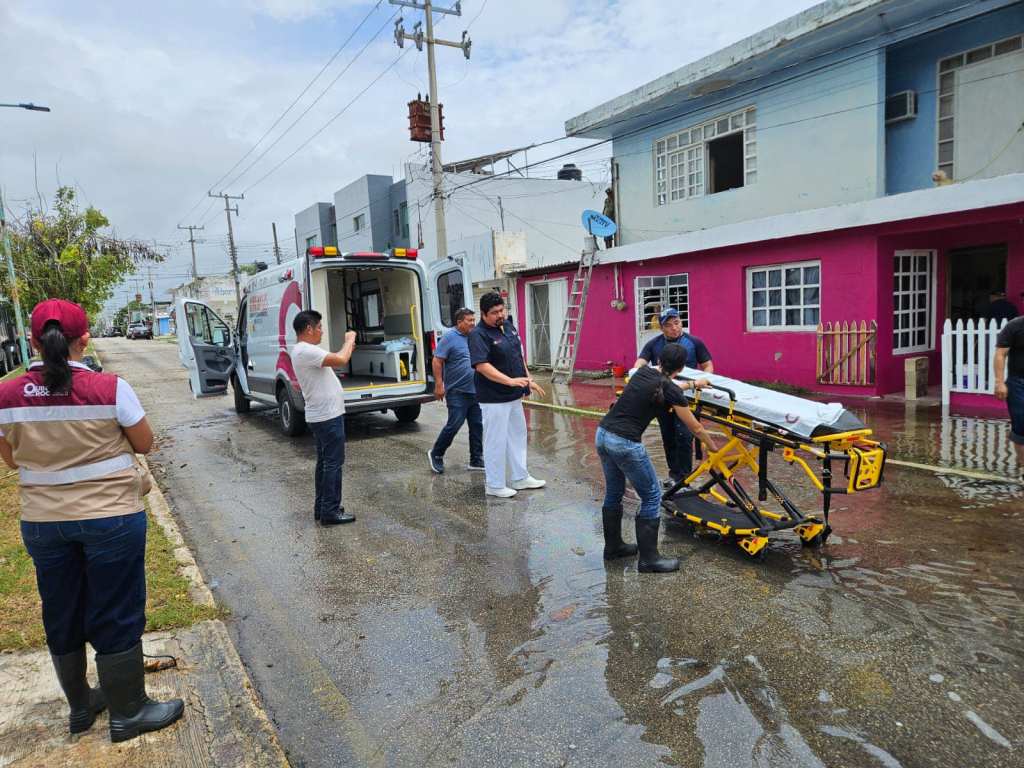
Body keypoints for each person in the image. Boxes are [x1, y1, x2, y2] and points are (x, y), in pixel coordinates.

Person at [0, 299, 183, 742]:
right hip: (111, 519)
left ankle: (81, 707)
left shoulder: (6, 394)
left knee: (61, 609)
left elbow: (9, 459)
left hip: (44, 523)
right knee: (115, 608)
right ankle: (128, 713)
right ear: (85, 339)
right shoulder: (110, 388)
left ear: (32, 342)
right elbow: (144, 442)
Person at [597, 344, 718, 573]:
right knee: (652, 496)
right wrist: (712, 447)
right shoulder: (670, 389)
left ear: (660, 360)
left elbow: (666, 387)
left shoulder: (644, 373)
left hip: (603, 434)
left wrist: (693, 384)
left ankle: (613, 548)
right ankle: (649, 560)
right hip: (625, 442)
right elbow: (695, 427)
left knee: (614, 492)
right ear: (682, 367)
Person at [468, 292, 546, 498]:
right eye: (494, 313)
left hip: (513, 396)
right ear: (483, 314)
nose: (500, 315)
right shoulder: (478, 334)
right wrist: (510, 381)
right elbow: (482, 366)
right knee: (496, 441)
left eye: (502, 310)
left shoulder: (509, 327)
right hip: (493, 398)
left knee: (518, 436)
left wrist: (528, 381)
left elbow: (518, 357)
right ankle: (494, 484)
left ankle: (520, 477)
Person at [632, 308, 713, 485]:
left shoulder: (694, 342)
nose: (674, 328)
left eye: (676, 323)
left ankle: (684, 479)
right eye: (668, 325)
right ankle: (674, 474)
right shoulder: (654, 344)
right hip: (663, 396)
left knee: (684, 436)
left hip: (687, 396)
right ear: (662, 328)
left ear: (681, 322)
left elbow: (708, 366)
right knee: (668, 436)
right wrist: (637, 373)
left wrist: (703, 381)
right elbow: (640, 362)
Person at [291, 310, 357, 525]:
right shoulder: (305, 350)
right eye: (319, 327)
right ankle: (330, 511)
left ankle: (323, 507)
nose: (322, 331)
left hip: (323, 415)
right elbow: (341, 359)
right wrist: (350, 339)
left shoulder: (304, 350)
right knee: (333, 464)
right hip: (327, 416)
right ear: (308, 329)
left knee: (325, 463)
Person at [428, 308, 484, 474]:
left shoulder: (475, 336)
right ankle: (436, 454)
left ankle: (476, 459)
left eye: (474, 320)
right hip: (457, 391)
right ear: (459, 322)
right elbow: (437, 361)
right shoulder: (450, 337)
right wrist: (439, 385)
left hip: (475, 390)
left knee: (477, 425)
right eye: (469, 321)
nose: (473, 323)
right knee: (455, 424)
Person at [994, 314, 1024, 481]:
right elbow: (1000, 354)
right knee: (1021, 425)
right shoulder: (1015, 326)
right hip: (1018, 383)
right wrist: (999, 382)